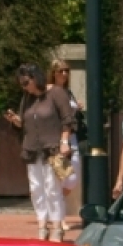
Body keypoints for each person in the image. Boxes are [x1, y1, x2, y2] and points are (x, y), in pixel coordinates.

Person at [4, 63, 75, 242]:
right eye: (21, 84)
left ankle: (57, 227)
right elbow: (25, 123)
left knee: (53, 189)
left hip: (52, 148)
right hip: (32, 149)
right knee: (36, 189)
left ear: (36, 78)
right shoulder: (27, 98)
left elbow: (68, 119)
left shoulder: (56, 93)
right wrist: (16, 121)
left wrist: (64, 141)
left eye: (26, 82)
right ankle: (42, 226)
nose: (24, 86)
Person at [46, 59, 83, 208]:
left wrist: (76, 108)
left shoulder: (68, 92)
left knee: (73, 178)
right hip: (57, 136)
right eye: (61, 71)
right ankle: (58, 216)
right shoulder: (49, 90)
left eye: (67, 70)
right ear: (53, 73)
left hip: (71, 135)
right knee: (59, 176)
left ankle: (54, 205)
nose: (64, 74)